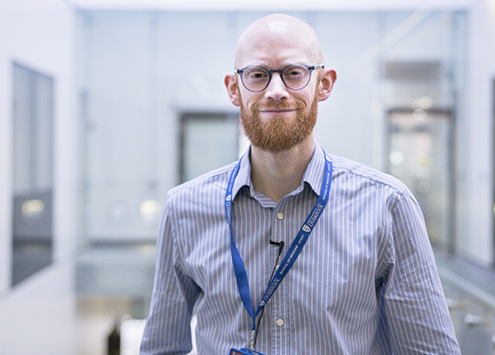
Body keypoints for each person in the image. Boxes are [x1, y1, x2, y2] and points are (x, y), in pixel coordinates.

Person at [140, 13, 461, 355]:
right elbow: (161, 349)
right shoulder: (184, 208)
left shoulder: (387, 206)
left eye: (294, 73)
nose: (276, 92)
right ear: (235, 89)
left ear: (324, 84)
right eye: (258, 75)